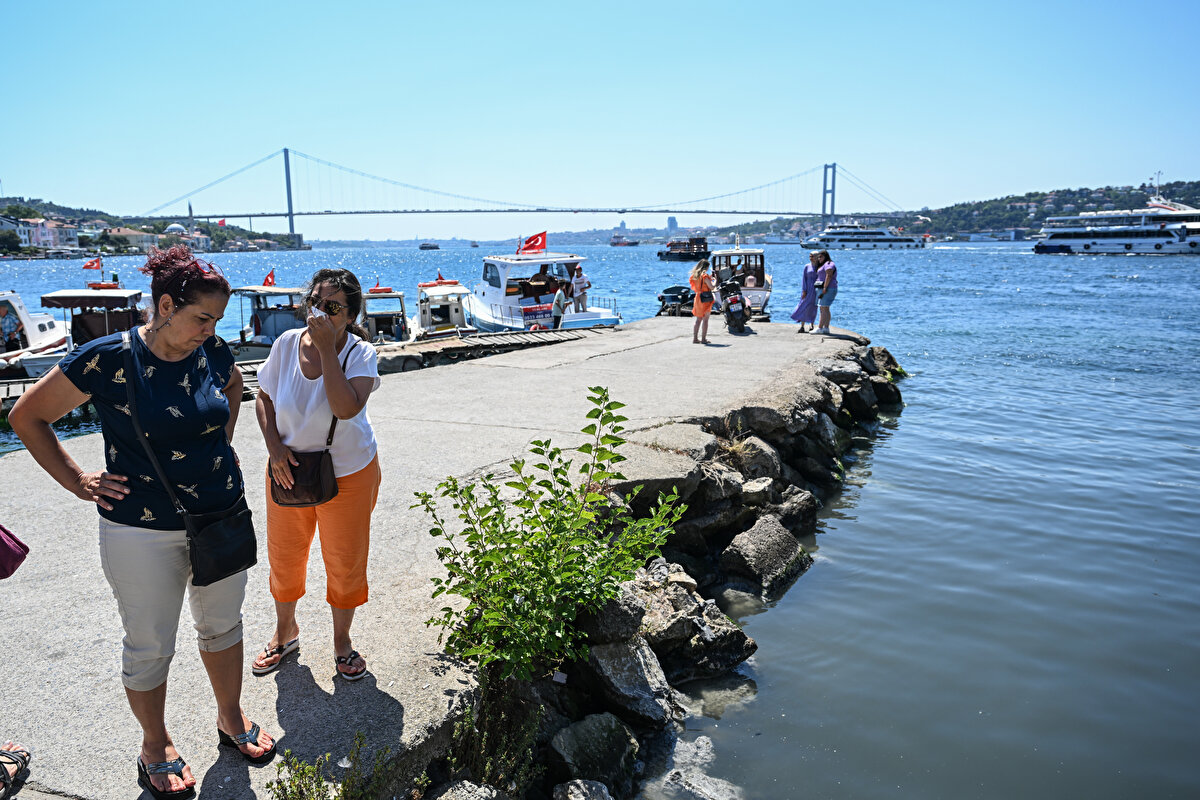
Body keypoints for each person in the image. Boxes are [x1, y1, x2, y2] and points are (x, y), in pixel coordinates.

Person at [9, 245, 275, 800]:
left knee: (224, 626)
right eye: (202, 317)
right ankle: (155, 745)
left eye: (217, 320)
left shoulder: (214, 351)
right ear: (165, 305)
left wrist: (217, 448)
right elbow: (27, 416)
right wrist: (79, 480)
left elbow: (232, 389)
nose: (210, 329)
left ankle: (230, 719)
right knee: (151, 644)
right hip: (140, 528)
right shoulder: (107, 358)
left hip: (221, 514)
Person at [252, 268, 382, 683]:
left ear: (349, 314)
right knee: (285, 557)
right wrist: (273, 446)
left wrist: (328, 349)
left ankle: (342, 642)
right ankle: (284, 631)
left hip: (348, 473)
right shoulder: (286, 344)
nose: (320, 313)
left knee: (344, 561)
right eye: (316, 303)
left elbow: (345, 408)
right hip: (287, 468)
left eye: (332, 307)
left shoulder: (359, 353)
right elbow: (264, 397)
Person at [791, 251, 819, 333]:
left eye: (812, 256)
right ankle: (802, 326)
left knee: (813, 307)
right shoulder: (807, 266)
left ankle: (811, 325)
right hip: (807, 289)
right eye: (810, 256)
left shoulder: (819, 267)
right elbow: (804, 279)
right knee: (804, 306)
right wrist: (804, 290)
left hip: (816, 290)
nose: (811, 258)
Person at [690, 259, 716, 344]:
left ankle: (695, 338)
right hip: (705, 299)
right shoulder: (705, 276)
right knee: (705, 320)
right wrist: (715, 280)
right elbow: (712, 287)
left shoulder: (695, 276)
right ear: (706, 267)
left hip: (698, 298)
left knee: (698, 320)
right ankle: (704, 339)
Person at [814, 250, 838, 334]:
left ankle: (820, 328)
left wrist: (825, 287)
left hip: (828, 288)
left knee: (823, 308)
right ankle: (826, 328)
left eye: (821, 257)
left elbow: (829, 275)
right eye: (818, 257)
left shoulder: (829, 264)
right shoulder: (824, 264)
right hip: (825, 288)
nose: (819, 258)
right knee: (825, 308)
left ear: (826, 256)